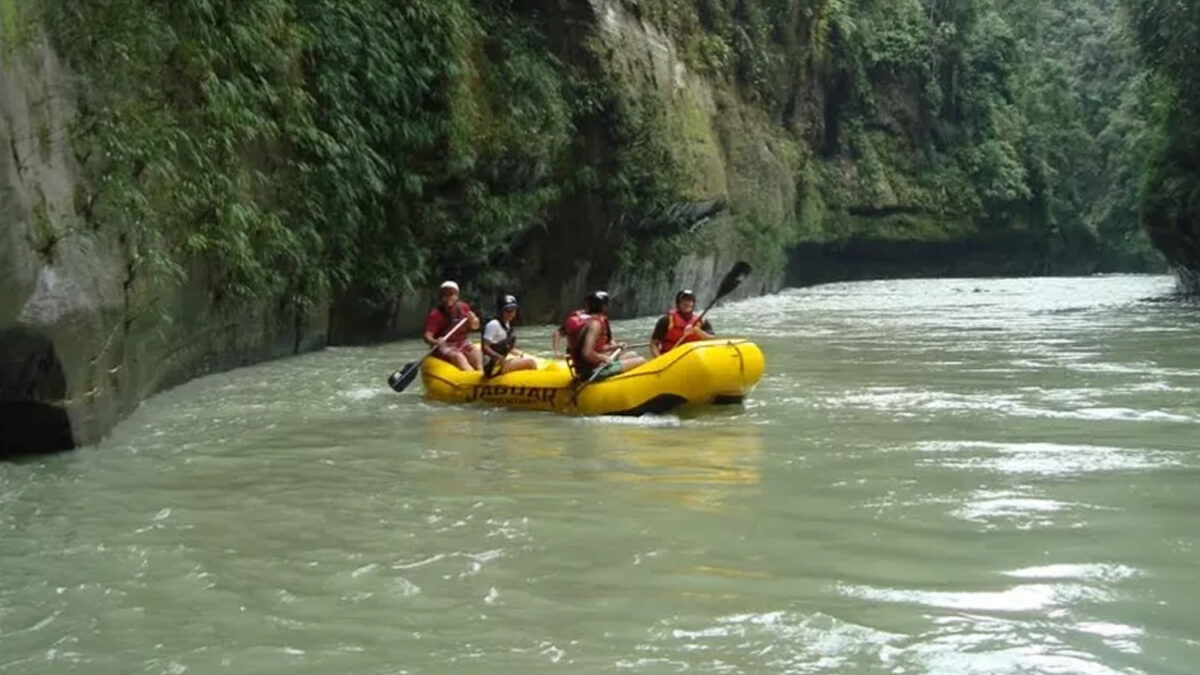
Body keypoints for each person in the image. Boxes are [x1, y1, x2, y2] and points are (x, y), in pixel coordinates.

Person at [561, 290, 645, 381]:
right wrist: (603, 358)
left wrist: (615, 346)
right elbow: (587, 353)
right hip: (592, 371)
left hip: (588, 367)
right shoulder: (595, 324)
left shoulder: (584, 320)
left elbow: (595, 348)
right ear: (603, 307)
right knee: (641, 360)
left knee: (633, 354)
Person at [422, 280, 482, 371]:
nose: (448, 297)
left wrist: (474, 320)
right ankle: (472, 376)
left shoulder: (464, 307)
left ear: (457, 296)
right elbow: (427, 336)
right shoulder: (435, 314)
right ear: (441, 297)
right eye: (445, 295)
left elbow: (475, 327)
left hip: (462, 342)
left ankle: (481, 373)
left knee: (477, 352)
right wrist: (435, 342)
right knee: (458, 357)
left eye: (451, 294)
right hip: (444, 345)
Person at [481, 294, 537, 377]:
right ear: (500, 311)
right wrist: (499, 358)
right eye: (507, 310)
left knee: (525, 358)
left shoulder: (506, 324)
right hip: (492, 367)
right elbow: (485, 347)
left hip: (499, 364)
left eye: (513, 310)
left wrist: (520, 354)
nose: (511, 313)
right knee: (531, 363)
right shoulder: (493, 324)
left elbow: (505, 346)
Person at [649, 289, 714, 357]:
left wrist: (697, 331)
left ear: (693, 303)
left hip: (694, 357)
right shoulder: (666, 320)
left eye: (689, 300)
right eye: (683, 300)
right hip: (672, 359)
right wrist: (660, 360)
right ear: (678, 303)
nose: (686, 303)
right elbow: (653, 344)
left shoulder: (701, 321)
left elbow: (712, 339)